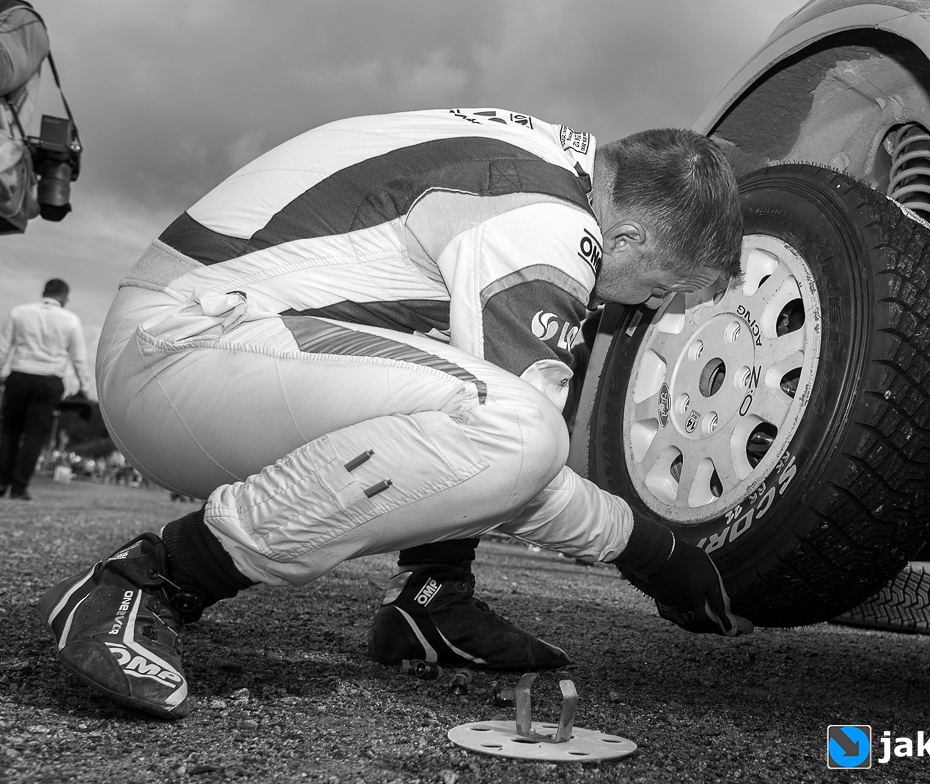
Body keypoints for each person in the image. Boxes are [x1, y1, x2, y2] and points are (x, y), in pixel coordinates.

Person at [36, 108, 750, 721]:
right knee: (517, 430)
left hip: (202, 341)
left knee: (469, 392)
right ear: (629, 240)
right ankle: (150, 580)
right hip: (180, 355)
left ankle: (430, 597)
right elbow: (518, 459)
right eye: (662, 288)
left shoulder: (549, 161)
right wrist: (649, 549)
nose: (645, 308)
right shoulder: (551, 223)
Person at [0, 278, 95, 499]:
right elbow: (79, 358)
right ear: (65, 297)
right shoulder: (71, 320)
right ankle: (19, 486)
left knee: (10, 430)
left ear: (43, 292)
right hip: (49, 381)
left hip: (19, 375)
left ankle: (1, 482)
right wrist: (84, 387)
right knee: (35, 435)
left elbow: (4, 347)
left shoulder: (19, 312)